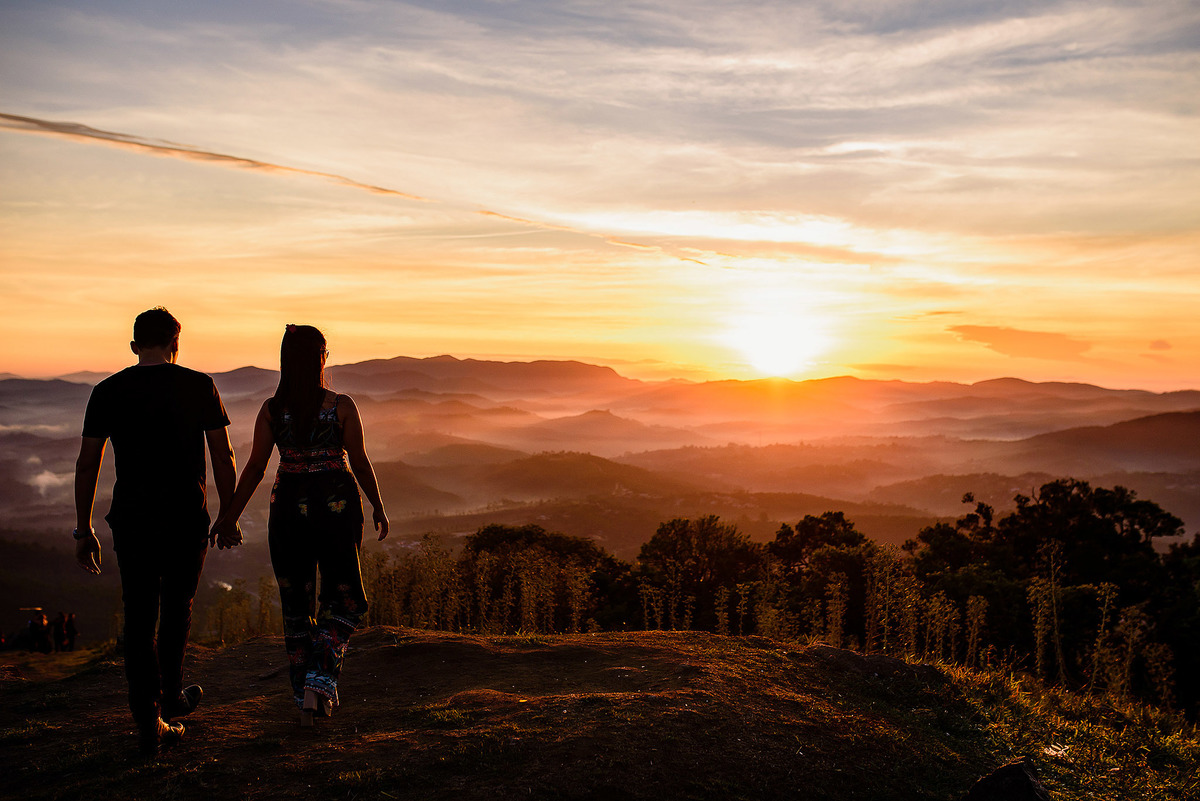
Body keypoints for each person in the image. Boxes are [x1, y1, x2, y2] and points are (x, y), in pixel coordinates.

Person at [74, 307, 241, 756]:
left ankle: (149, 722)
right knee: (177, 609)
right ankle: (169, 697)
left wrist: (83, 528)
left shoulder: (107, 391)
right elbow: (223, 456)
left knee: (139, 615)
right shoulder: (198, 385)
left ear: (133, 346)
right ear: (175, 344)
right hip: (187, 518)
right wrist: (229, 515)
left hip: (132, 520)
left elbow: (87, 463)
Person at [213, 324, 388, 727]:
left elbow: (256, 467)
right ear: (321, 358)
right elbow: (359, 461)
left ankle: (304, 693)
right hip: (337, 509)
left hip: (288, 509)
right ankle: (319, 681)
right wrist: (378, 505)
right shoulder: (342, 406)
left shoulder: (272, 411)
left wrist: (229, 517)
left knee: (296, 605)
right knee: (345, 597)